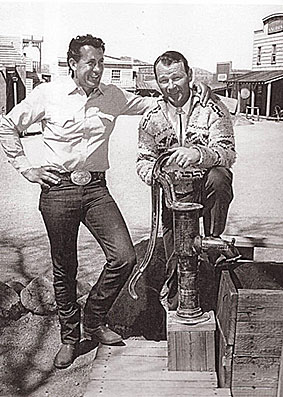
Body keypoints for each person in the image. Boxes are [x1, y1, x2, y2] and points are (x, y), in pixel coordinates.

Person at [0, 36, 210, 369]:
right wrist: (27, 168)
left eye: (100, 61)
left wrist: (192, 93)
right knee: (64, 269)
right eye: (90, 62)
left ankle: (94, 319)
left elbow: (153, 104)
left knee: (124, 257)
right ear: (73, 63)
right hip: (58, 191)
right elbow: (7, 125)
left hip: (97, 190)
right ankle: (70, 338)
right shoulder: (48, 94)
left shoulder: (112, 95)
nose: (97, 69)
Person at [136, 50, 236, 310]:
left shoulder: (213, 108)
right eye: (164, 80)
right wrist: (156, 174)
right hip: (173, 197)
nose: (171, 86)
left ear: (189, 75)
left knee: (219, 175)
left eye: (177, 78)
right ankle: (176, 308)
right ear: (157, 82)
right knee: (177, 262)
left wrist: (198, 154)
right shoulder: (151, 118)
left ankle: (213, 242)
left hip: (205, 188)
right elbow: (143, 160)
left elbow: (227, 153)